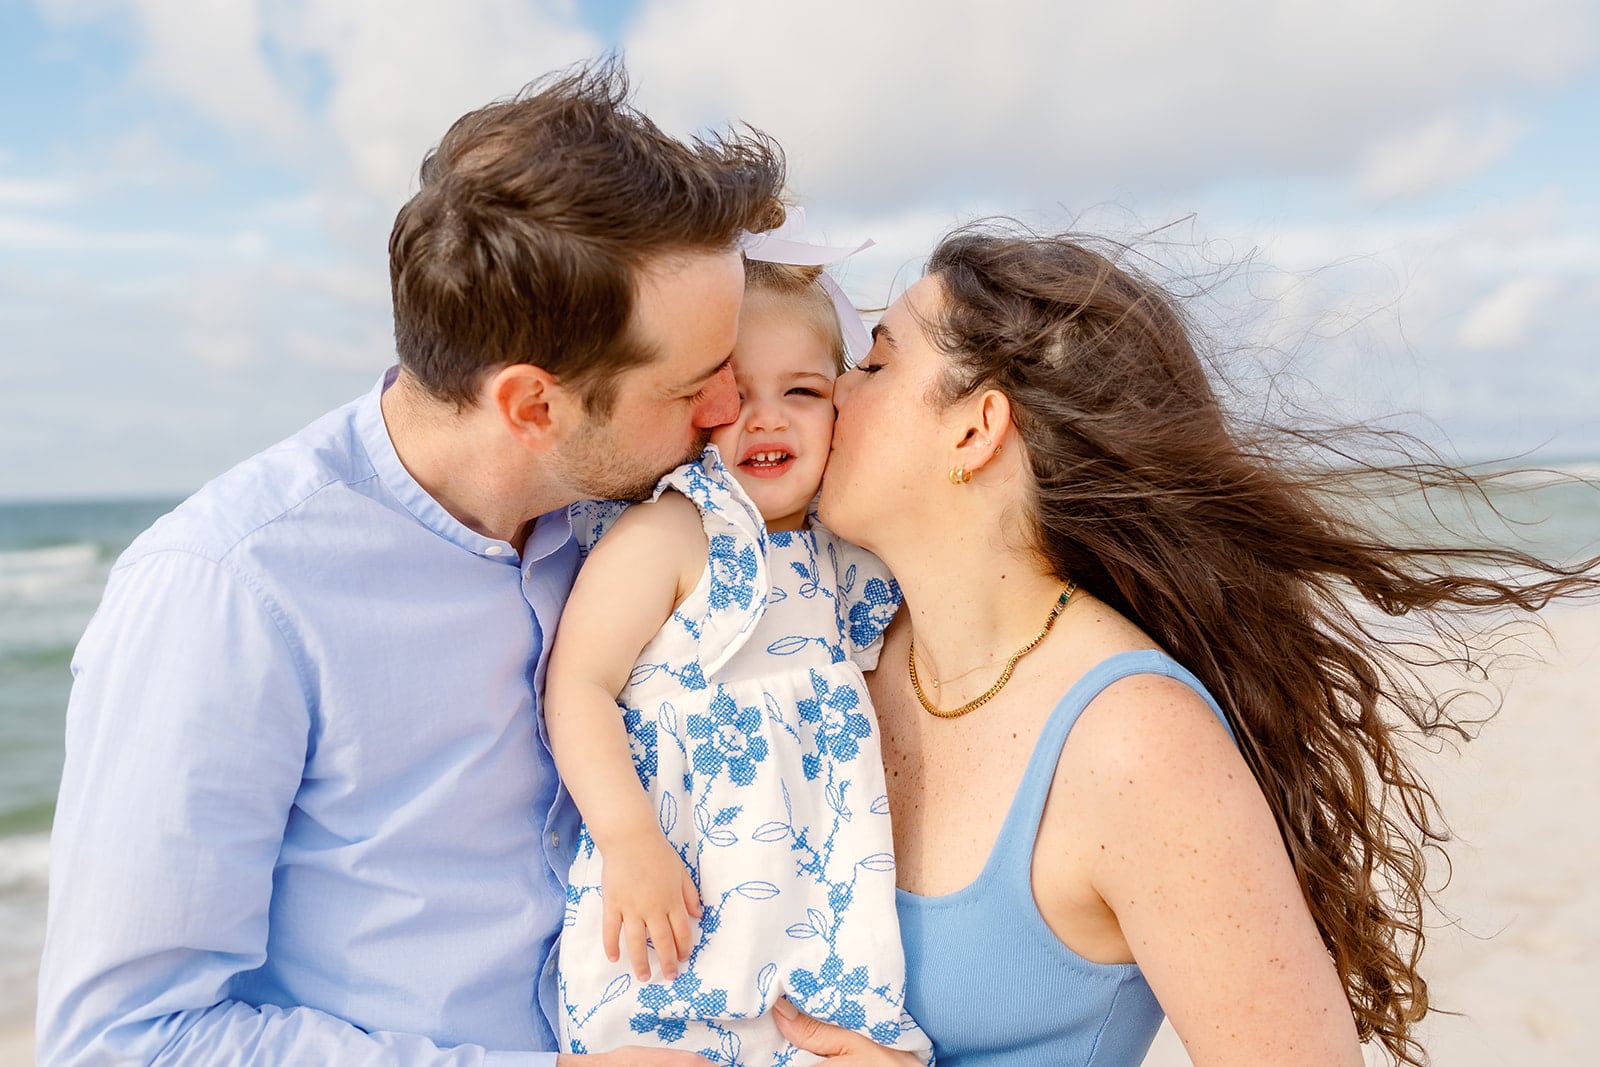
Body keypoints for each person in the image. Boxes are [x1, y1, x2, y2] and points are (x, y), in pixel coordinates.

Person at [36, 60, 783, 1066]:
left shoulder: (635, 517)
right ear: (531, 405)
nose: (729, 412)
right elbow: (123, 1042)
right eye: (694, 385)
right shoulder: (226, 589)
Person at [763, 224, 1600, 1067]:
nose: (834, 391)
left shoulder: (1134, 744)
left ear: (977, 430)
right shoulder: (833, 640)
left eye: (874, 364)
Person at [546, 217, 932, 1067]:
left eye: (802, 392)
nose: (768, 419)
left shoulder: (850, 556)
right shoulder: (674, 531)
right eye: (735, 393)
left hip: (815, 921)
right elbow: (577, 685)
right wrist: (626, 838)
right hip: (672, 904)